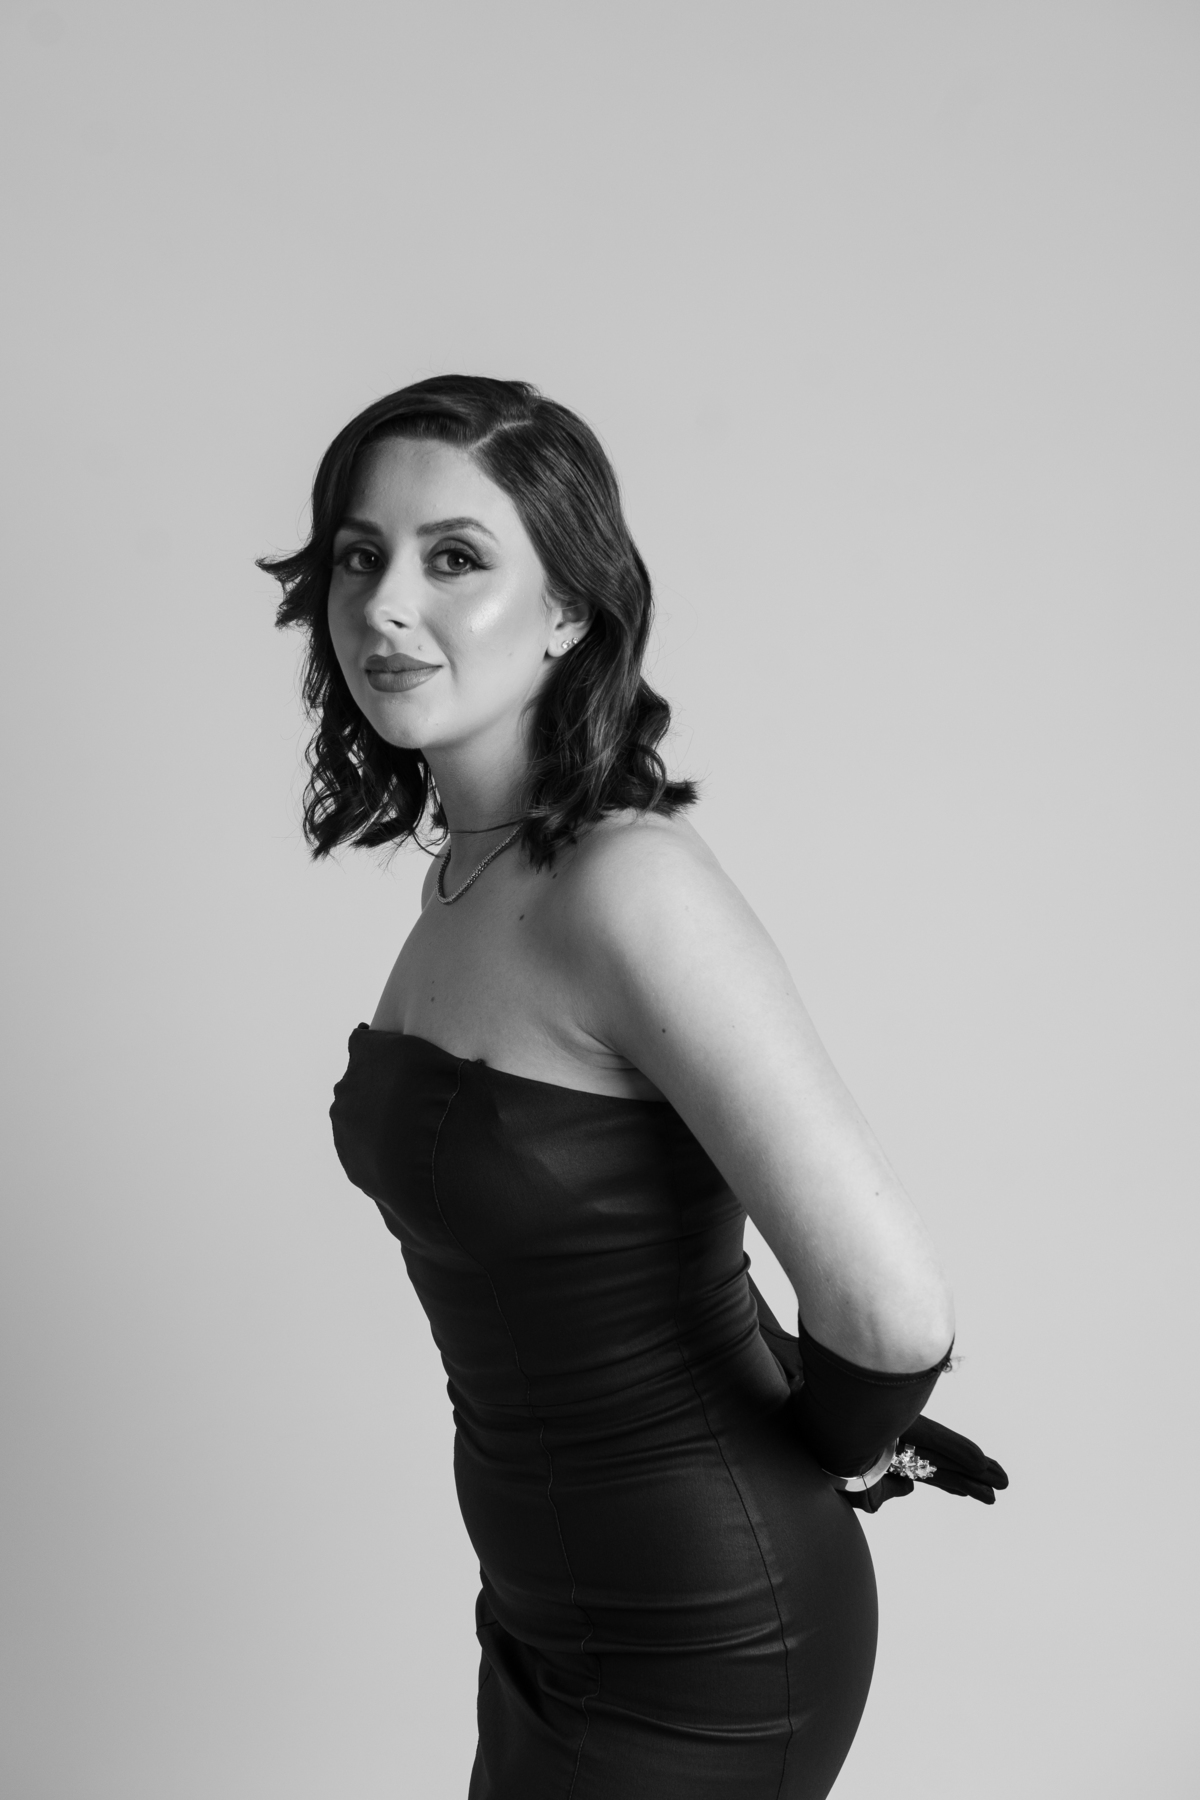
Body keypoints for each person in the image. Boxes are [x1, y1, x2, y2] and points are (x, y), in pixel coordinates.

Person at [260, 375, 1006, 1799]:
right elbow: (622, 1238)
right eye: (361, 556)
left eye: (455, 557)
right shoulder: (469, 874)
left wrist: (846, 1440)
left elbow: (894, 1306)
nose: (386, 604)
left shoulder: (627, 885)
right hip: (547, 1610)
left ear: (567, 611)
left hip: (704, 1635)